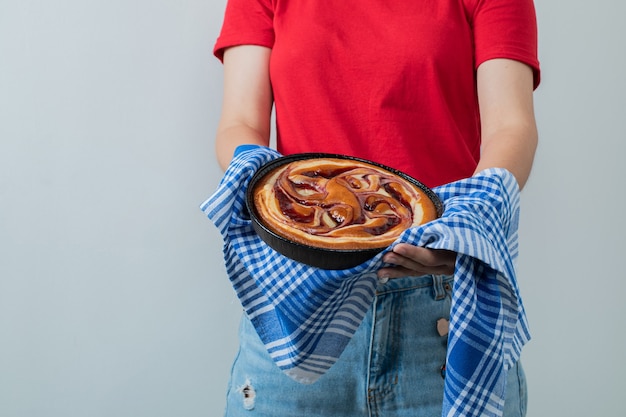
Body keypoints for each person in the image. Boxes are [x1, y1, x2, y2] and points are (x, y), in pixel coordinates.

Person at [211, 0, 540, 416]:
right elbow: (240, 123)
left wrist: (468, 224)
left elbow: (512, 127)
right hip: (296, 296)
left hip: (440, 304)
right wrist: (262, 180)